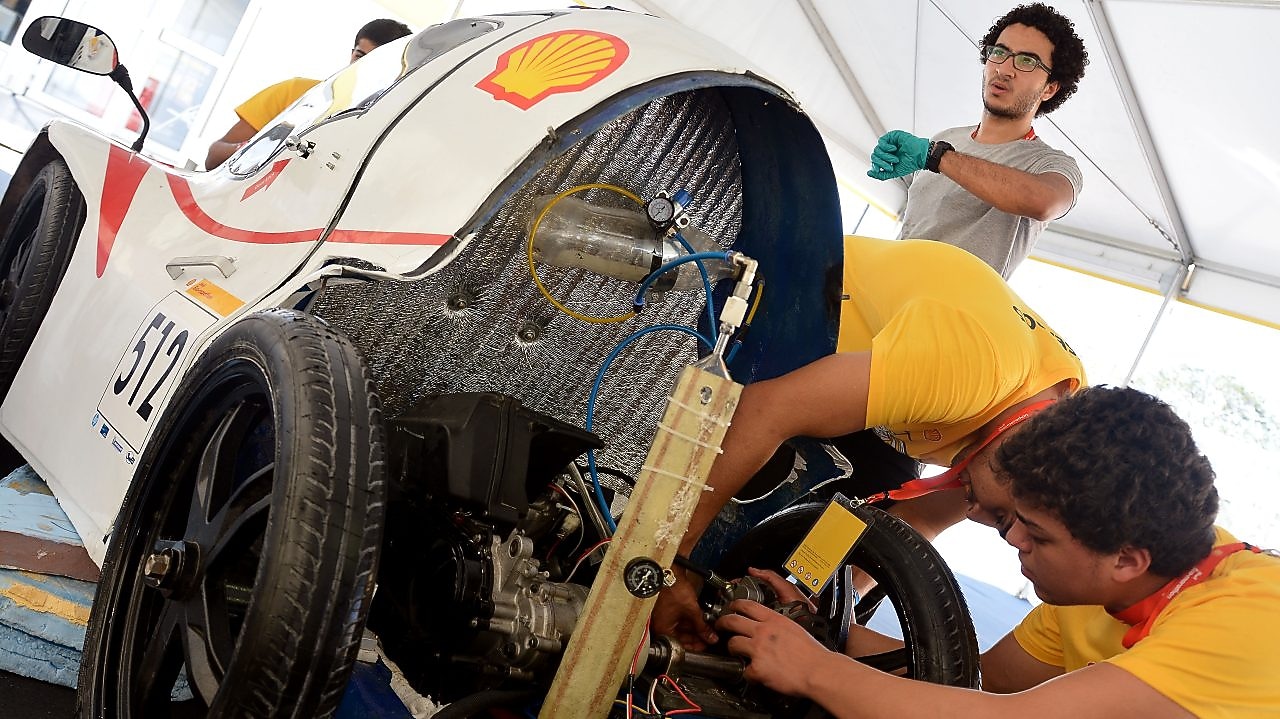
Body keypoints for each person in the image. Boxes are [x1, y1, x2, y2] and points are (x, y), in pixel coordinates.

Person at [717, 386, 1280, 718]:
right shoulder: (1099, 585)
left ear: (1127, 559)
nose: (1013, 540)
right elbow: (974, 683)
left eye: (1036, 534)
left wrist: (815, 672)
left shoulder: (1252, 623)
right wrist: (817, 631)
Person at [652, 234, 1086, 649]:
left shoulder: (1061, 429)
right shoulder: (968, 372)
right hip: (792, 304)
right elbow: (763, 411)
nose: (974, 514)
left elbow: (922, 519)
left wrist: (829, 607)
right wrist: (668, 563)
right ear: (1020, 461)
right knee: (718, 530)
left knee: (853, 544)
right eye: (1001, 517)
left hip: (881, 377)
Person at [867, 3, 1088, 277]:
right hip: (892, 294)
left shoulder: (1050, 164)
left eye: (1027, 61)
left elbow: (1044, 202)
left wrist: (937, 157)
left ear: (1050, 88)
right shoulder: (947, 138)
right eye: (1000, 52)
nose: (1005, 69)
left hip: (952, 314)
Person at [205, 18, 411, 169]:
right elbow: (214, 157)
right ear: (352, 52)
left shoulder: (390, 129)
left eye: (374, 62)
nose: (361, 66)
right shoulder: (296, 92)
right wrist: (260, 148)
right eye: (359, 56)